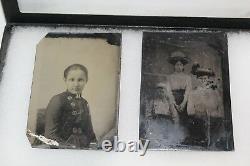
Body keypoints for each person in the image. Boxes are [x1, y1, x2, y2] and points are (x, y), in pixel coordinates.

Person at [44, 64, 96, 149]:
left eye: (80, 80)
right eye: (71, 80)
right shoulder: (57, 100)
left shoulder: (84, 103)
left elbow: (89, 133)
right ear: (65, 80)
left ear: (86, 81)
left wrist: (94, 146)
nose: (76, 84)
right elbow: (50, 135)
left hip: (82, 147)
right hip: (61, 149)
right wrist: (69, 149)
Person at [187, 64, 224, 149]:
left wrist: (216, 114)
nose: (203, 80)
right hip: (199, 119)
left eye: (205, 78)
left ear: (208, 79)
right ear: (197, 79)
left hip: (213, 118)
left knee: (214, 137)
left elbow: (219, 105)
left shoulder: (213, 91)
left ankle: (212, 143)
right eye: (201, 78)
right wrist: (195, 113)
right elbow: (190, 109)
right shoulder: (194, 92)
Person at [143, 82, 182, 149]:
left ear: (166, 92)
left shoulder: (169, 102)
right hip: (156, 122)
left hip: (167, 123)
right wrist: (150, 124)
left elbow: (175, 116)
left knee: (168, 140)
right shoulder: (152, 101)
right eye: (159, 90)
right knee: (155, 139)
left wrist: (175, 126)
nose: (161, 92)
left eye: (163, 90)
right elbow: (148, 114)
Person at [167, 51, 192, 131]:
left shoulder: (187, 77)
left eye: (180, 65)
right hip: (173, 100)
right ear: (174, 66)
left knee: (184, 121)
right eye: (177, 65)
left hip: (184, 100)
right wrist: (174, 103)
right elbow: (169, 91)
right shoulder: (170, 77)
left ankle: (184, 138)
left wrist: (184, 103)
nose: (179, 67)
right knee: (175, 119)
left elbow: (188, 91)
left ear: (183, 66)